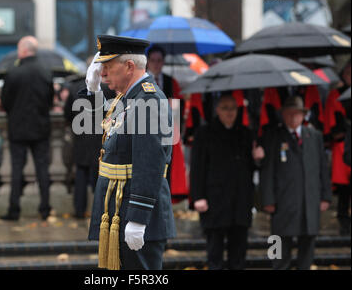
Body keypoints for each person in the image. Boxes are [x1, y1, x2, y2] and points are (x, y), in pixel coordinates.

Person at [81, 35, 176, 270]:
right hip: (118, 207)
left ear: (129, 67)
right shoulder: (129, 98)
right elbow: (97, 129)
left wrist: (138, 217)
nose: (103, 74)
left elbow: (150, 162)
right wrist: (92, 91)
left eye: (108, 67)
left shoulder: (148, 100)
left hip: (135, 210)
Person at [190, 94, 265, 270]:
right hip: (215, 201)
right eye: (225, 108)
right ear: (217, 110)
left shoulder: (246, 134)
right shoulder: (204, 133)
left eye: (233, 108)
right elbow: (197, 168)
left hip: (240, 201)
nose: (229, 112)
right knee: (214, 253)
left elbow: (252, 167)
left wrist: (258, 159)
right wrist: (197, 197)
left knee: (238, 254)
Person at [260, 96, 332, 270]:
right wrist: (267, 199)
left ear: (303, 115)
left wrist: (326, 196)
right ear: (283, 115)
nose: (293, 118)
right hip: (282, 201)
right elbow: (267, 170)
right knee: (277, 246)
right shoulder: (273, 136)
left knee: (307, 248)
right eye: (289, 114)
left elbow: (323, 167)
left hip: (309, 199)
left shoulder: (314, 136)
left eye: (297, 114)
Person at [0, 36, 54, 221]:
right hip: (40, 128)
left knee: (17, 170)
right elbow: (49, 100)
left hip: (18, 128)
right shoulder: (45, 72)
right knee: (42, 170)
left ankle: (14, 210)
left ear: (23, 50)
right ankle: (45, 209)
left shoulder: (13, 73)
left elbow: (5, 102)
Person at [64, 72, 116, 218]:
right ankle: (101, 210)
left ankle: (79, 210)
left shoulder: (75, 87)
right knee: (101, 174)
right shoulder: (107, 88)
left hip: (81, 137)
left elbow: (67, 113)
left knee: (81, 172)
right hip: (101, 137)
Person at [146, 46, 188, 203]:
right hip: (148, 131)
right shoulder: (142, 81)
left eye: (159, 61)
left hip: (168, 131)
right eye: (153, 61)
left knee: (167, 166)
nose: (156, 64)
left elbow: (178, 110)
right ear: (147, 61)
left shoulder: (171, 82)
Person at [324, 60, 351, 235]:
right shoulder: (336, 95)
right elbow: (332, 125)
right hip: (341, 147)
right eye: (348, 73)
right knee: (343, 189)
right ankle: (344, 222)